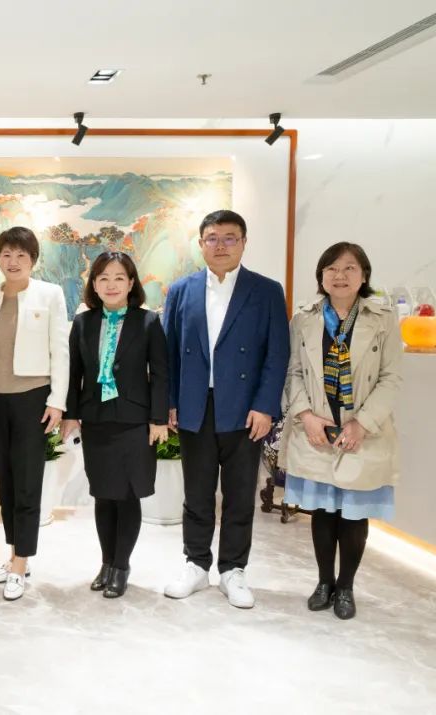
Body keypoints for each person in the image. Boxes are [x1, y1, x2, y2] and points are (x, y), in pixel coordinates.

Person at [162, 209, 289, 609]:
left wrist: (265, 406)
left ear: (243, 243)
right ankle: (196, 564)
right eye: (212, 238)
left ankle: (233, 569)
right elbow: (167, 352)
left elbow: (277, 354)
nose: (221, 246)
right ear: (201, 244)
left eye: (230, 238)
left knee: (239, 494)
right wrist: (169, 402)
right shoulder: (181, 290)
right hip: (194, 405)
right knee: (197, 492)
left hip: (245, 409)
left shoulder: (266, 291)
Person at [281, 242, 402, 620]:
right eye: (331, 268)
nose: (340, 275)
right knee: (322, 511)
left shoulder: (383, 319)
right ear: (321, 276)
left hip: (361, 431)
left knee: (353, 515)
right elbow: (293, 372)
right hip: (317, 429)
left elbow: (391, 378)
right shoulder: (304, 318)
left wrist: (362, 424)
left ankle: (346, 586)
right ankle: (324, 582)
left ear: (364, 276)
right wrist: (306, 415)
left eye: (350, 268)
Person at [61, 252, 168, 598]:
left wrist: (158, 419)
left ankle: (122, 566)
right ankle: (106, 563)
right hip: (96, 420)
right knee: (104, 495)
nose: (111, 284)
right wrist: (70, 414)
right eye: (103, 278)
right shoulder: (83, 323)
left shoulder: (148, 321)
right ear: (94, 284)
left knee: (128, 495)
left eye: (119, 277)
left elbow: (160, 374)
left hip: (135, 422)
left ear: (131, 283)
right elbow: (73, 373)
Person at [0, 227, 69, 601]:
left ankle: (21, 564)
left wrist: (57, 401)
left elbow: (60, 350)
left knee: (28, 483)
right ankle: (15, 555)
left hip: (34, 400)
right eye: (7, 255)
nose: (13, 262)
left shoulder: (50, 294)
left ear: (33, 260)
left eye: (21, 255)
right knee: (6, 483)